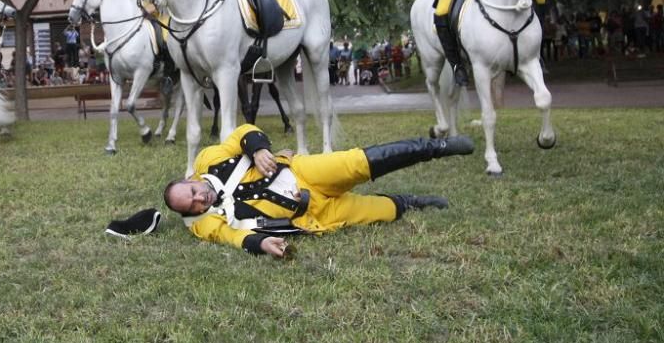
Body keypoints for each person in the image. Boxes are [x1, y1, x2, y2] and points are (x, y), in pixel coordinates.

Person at [163, 124, 474, 259]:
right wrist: (261, 244)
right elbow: (233, 237)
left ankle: (436, 147)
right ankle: (413, 202)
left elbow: (242, 133)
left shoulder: (207, 160)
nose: (198, 198)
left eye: (192, 191)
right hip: (312, 213)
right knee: (375, 211)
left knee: (359, 162)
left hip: (302, 172)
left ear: (189, 178)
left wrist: (258, 149)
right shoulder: (204, 225)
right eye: (191, 205)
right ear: (190, 213)